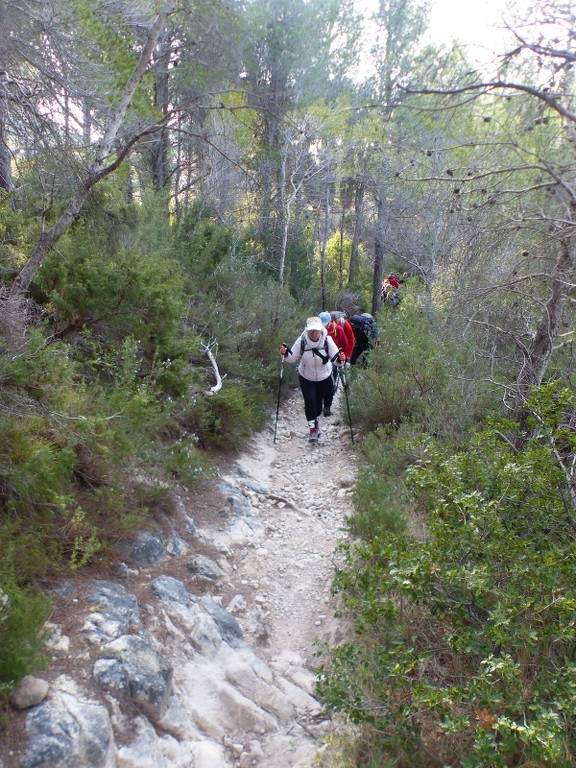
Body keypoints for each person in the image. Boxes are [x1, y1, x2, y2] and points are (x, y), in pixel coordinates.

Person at [279, 316, 345, 442]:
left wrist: (341, 359)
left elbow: (337, 361)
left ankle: (315, 423)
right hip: (306, 376)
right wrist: (285, 353)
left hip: (324, 377)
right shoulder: (302, 340)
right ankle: (313, 430)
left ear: (321, 330)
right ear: (307, 330)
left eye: (316, 330)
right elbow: (292, 358)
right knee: (309, 401)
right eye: (311, 331)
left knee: (318, 405)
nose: (313, 333)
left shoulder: (327, 340)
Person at [318, 311, 346, 416]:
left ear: (330, 321)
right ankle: (318, 405)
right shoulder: (315, 331)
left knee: (330, 383)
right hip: (319, 360)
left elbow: (344, 343)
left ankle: (327, 407)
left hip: (333, 359)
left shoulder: (338, 329)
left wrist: (340, 355)